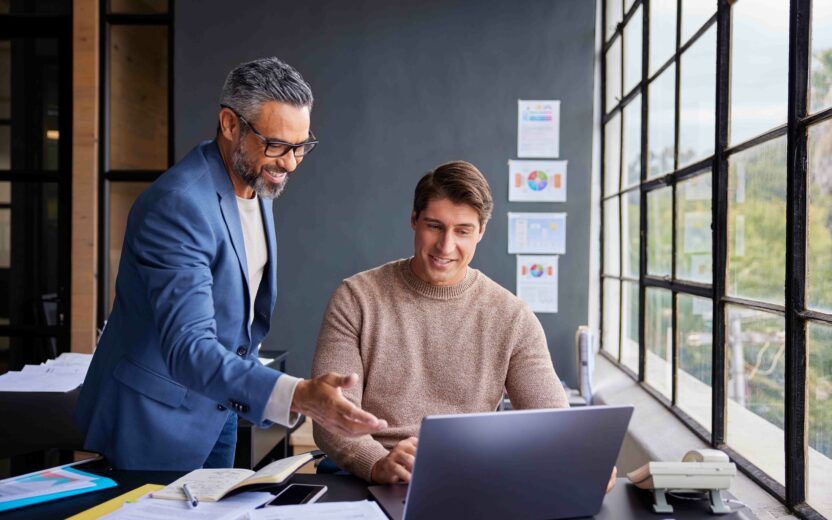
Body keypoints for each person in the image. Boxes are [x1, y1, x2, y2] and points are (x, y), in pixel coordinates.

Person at [75, 57, 385, 471]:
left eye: (301, 147)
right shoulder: (179, 206)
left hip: (218, 408)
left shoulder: (254, 180)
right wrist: (298, 394)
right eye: (277, 145)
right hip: (155, 419)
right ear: (229, 124)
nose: (290, 163)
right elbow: (188, 346)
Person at [312, 161, 590, 485]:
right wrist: (377, 463)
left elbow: (551, 421)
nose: (446, 246)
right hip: (367, 475)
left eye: (462, 231)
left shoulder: (512, 317)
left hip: (467, 478)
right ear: (414, 219)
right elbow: (330, 412)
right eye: (434, 226)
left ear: (481, 232)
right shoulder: (356, 298)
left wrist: (579, 459)